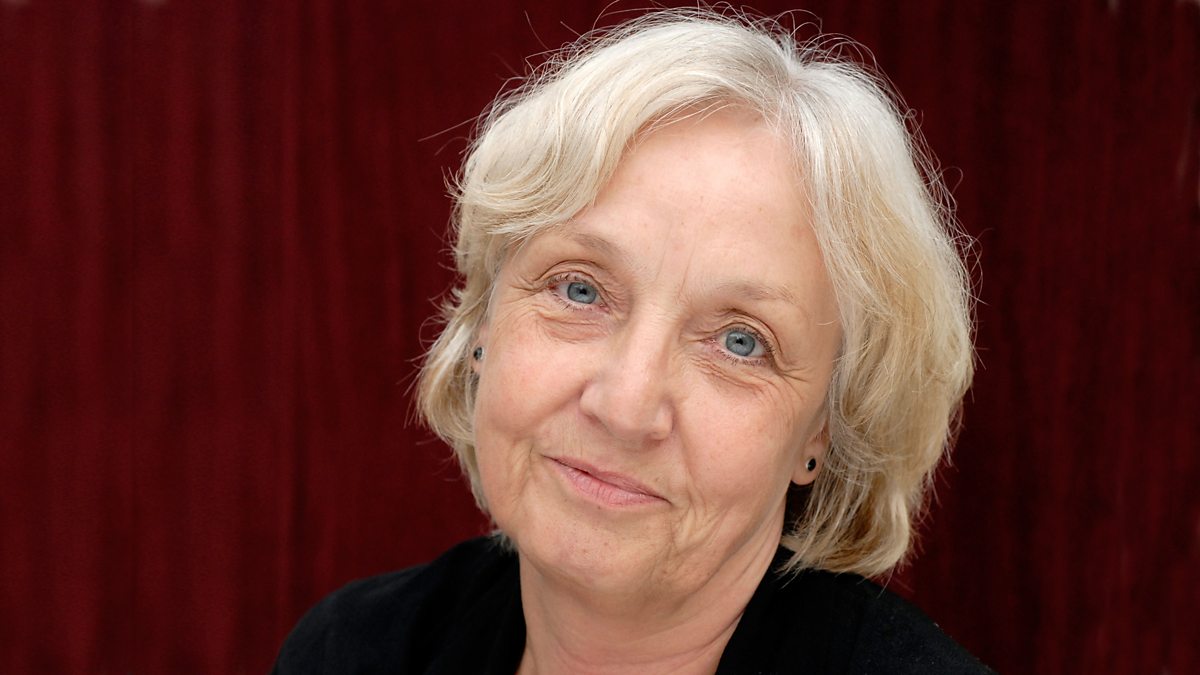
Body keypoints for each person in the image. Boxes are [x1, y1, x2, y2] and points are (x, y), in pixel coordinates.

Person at [274, 9, 990, 674]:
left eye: (740, 342)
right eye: (580, 291)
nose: (625, 406)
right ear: (485, 319)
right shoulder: (354, 651)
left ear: (825, 428)